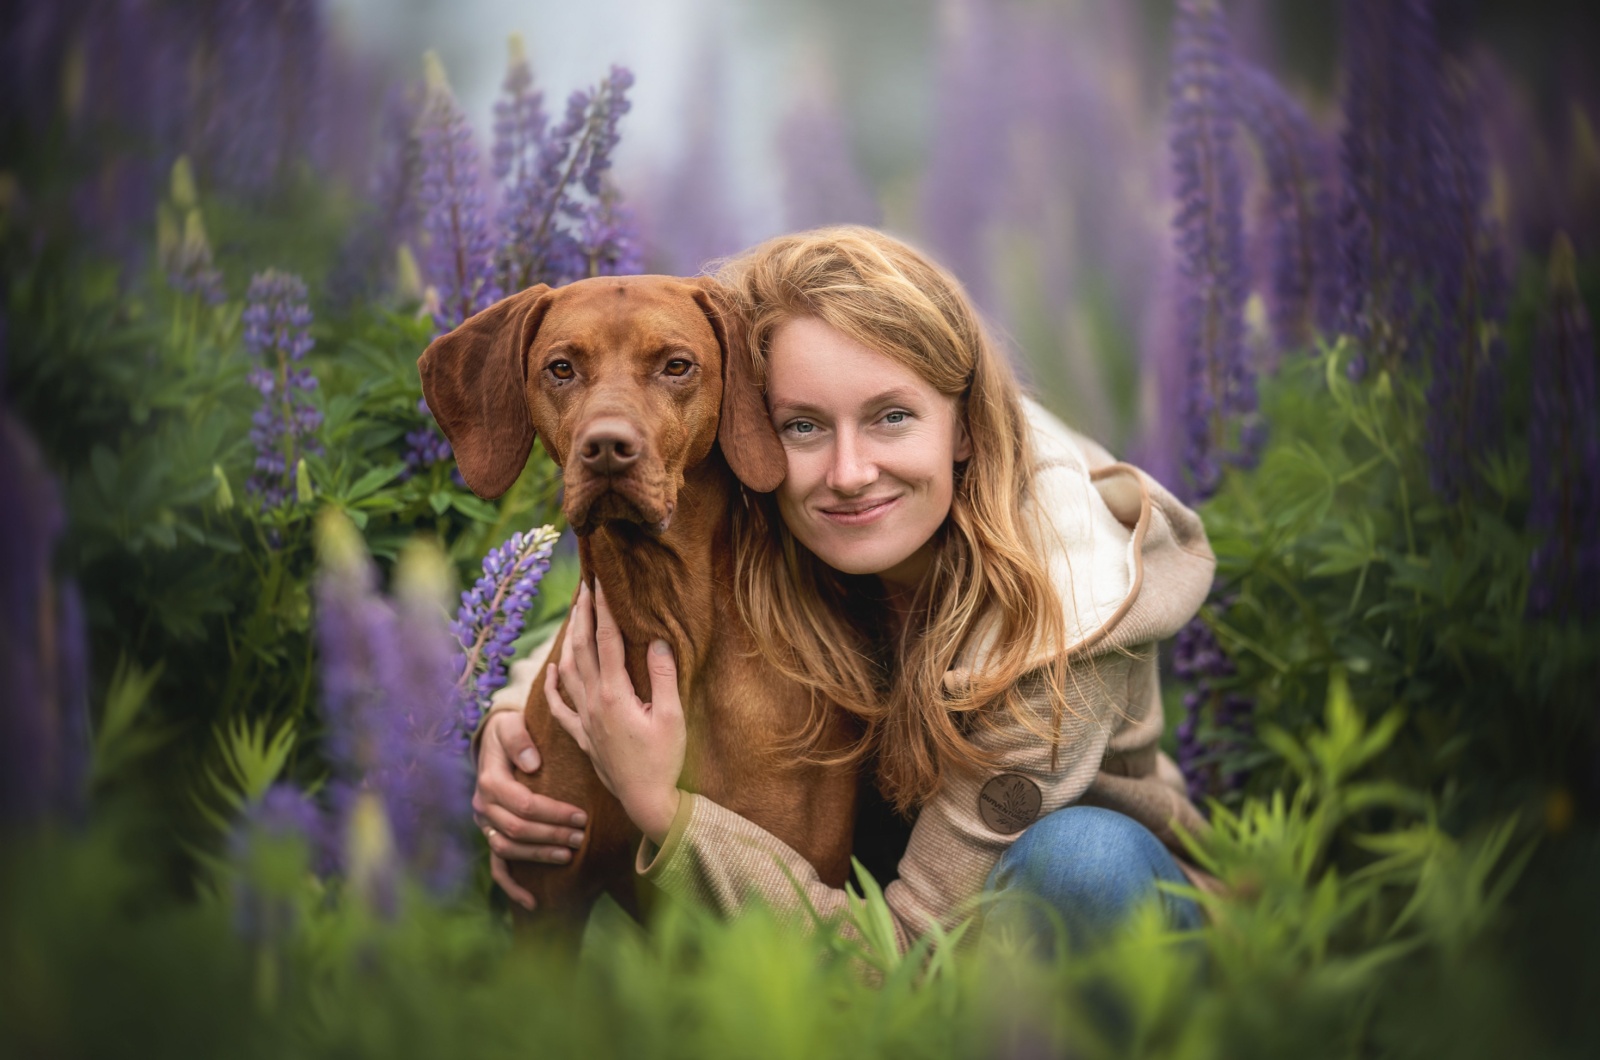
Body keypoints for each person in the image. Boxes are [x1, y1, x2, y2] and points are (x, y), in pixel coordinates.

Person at [470, 226, 1216, 954]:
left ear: (964, 426)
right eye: (802, 426)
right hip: (855, 896)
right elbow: (650, 582)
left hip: (1026, 925)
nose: (850, 472)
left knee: (1082, 859)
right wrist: (512, 714)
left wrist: (662, 808)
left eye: (893, 416)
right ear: (751, 423)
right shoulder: (772, 490)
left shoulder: (1066, 615)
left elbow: (911, 951)